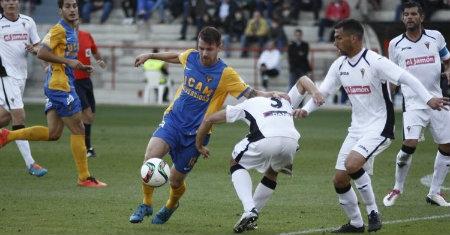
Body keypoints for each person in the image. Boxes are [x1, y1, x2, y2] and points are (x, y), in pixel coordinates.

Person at [295, 19, 448, 233]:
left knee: (352, 164)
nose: (334, 43)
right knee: (339, 180)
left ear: (354, 38)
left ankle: (373, 211)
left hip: (380, 126)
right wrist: (306, 110)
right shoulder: (339, 65)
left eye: (338, 38)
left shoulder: (375, 61)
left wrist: (428, 98)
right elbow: (324, 93)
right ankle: (356, 224)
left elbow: (408, 78)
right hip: (356, 128)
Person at [128, 26, 290, 225]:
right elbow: (176, 57)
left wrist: (269, 94)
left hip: (197, 133)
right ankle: (146, 203)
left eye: (209, 49)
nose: (204, 53)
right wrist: (150, 55)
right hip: (173, 120)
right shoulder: (191, 56)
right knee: (150, 158)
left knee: (175, 180)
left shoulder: (225, 73)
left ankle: (171, 205)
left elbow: (249, 93)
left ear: (219, 47)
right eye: (201, 48)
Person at [195, 76, 323, 233]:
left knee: (235, 162)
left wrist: (199, 145)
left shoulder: (248, 103)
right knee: (272, 171)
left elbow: (209, 119)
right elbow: (303, 80)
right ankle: (249, 215)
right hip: (291, 141)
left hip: (266, 138)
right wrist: (315, 92)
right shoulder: (285, 100)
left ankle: (249, 209)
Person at [0, 0, 107, 188]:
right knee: (79, 129)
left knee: (54, 133)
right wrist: (69, 62)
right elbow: (41, 53)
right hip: (60, 85)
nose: (72, 9)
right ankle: (84, 177)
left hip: (60, 82)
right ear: (60, 10)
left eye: (74, 6)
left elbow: (58, 56)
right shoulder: (59, 30)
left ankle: (7, 135)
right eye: (67, 6)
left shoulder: (71, 29)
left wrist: (77, 64)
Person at [382, 1, 450, 207]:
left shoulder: (435, 37)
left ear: (421, 17)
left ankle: (434, 193)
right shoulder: (395, 44)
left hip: (439, 100)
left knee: (447, 146)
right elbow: (392, 76)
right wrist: (384, 100)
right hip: (412, 103)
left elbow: (447, 60)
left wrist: (448, 72)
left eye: (413, 14)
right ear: (402, 18)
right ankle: (397, 188)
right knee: (409, 145)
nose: (409, 17)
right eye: (406, 14)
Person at [0, 0, 47, 177]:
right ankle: (31, 163)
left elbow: (38, 46)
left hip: (21, 76)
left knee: (4, 118)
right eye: (6, 0)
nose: (11, 2)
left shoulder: (28, 21)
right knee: (18, 115)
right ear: (1, 3)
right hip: (5, 76)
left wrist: (41, 60)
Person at [74, 24, 106, 158]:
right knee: (86, 113)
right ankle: (87, 148)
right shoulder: (63, 37)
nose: (75, 20)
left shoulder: (86, 35)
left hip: (86, 80)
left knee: (90, 115)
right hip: (73, 81)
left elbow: (94, 50)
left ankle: (86, 147)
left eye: (77, 18)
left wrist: (99, 60)